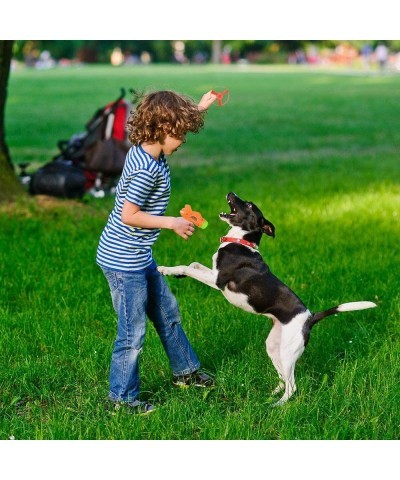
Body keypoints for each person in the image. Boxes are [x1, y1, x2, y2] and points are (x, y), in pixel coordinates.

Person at [96, 89, 217, 414]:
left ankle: (186, 372)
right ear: (164, 130)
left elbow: (169, 114)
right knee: (132, 331)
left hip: (137, 256)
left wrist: (198, 108)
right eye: (181, 135)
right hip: (123, 262)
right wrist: (172, 222)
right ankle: (121, 399)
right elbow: (129, 215)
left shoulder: (147, 148)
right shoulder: (145, 170)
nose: (183, 142)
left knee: (166, 313)